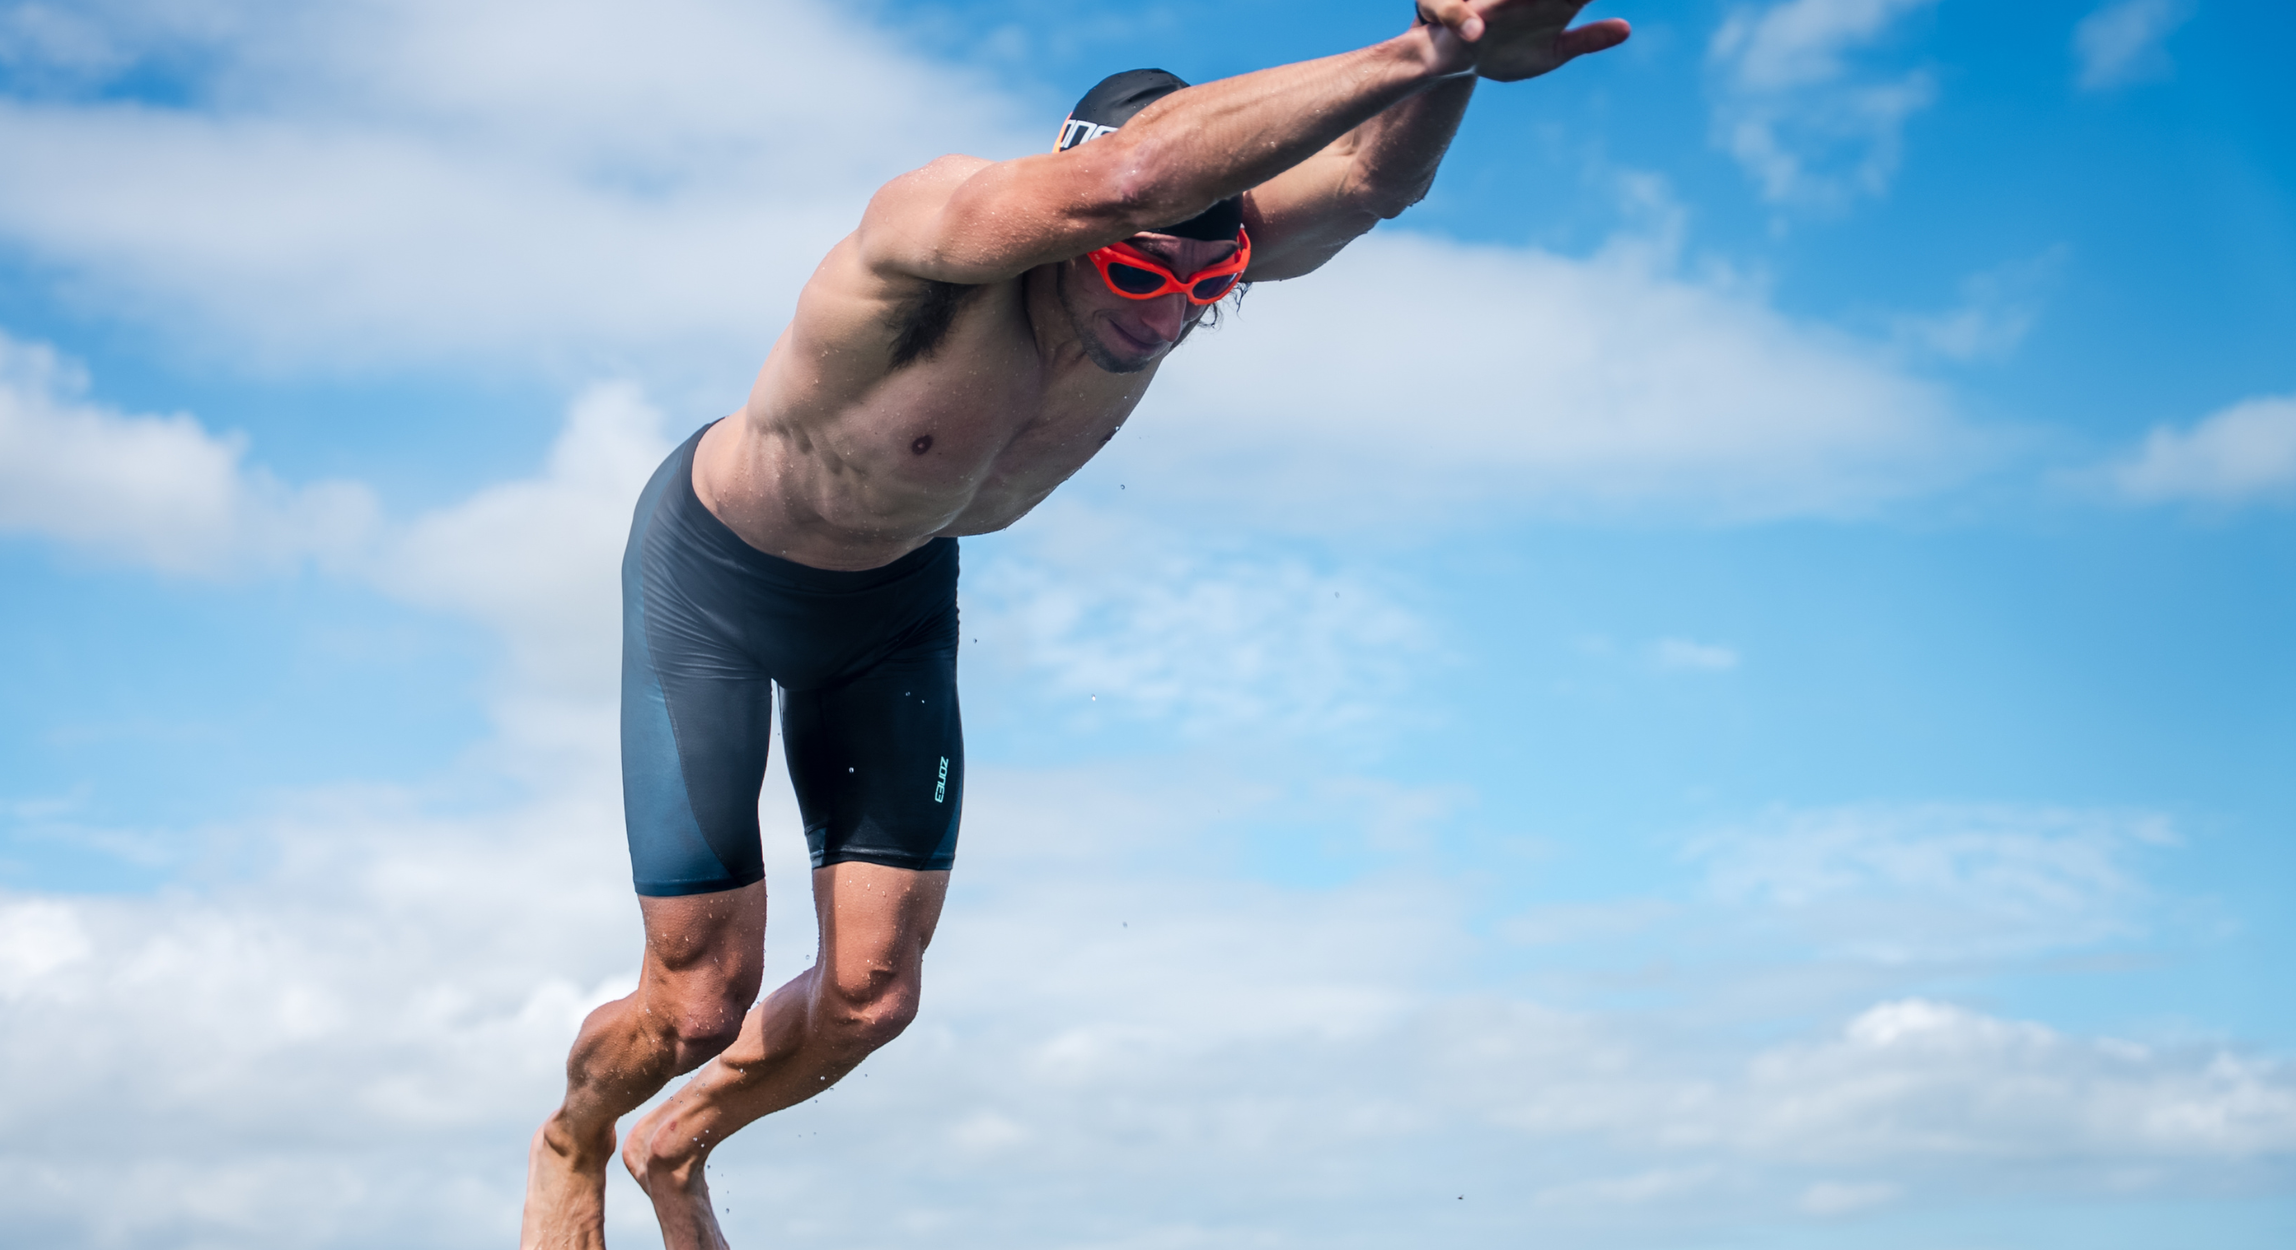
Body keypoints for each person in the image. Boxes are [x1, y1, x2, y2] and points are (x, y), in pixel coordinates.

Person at [520, 2, 1629, 1246]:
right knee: (698, 1000)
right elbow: (1134, 175)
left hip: (891, 604)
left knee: (875, 998)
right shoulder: (934, 239)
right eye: (1141, 270)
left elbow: (1370, 180)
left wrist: (1469, 56)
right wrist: (1422, 48)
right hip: (719, 578)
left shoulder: (1184, 254)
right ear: (1071, 217)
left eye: (1206, 286)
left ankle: (679, 1144)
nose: (1165, 316)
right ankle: (574, 1139)